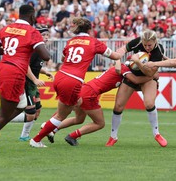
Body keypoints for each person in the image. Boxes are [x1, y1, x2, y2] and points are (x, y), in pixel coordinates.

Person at [0, 5, 50, 153]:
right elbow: (46, 56)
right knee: (3, 114)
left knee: (22, 105)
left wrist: (9, 51)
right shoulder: (32, 32)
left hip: (2, 68)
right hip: (15, 73)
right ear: (32, 16)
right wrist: (30, 48)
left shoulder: (8, 28)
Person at [30, 17, 123, 148]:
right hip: (72, 80)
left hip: (60, 76)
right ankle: (37, 138)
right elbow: (116, 57)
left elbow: (63, 58)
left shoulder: (71, 41)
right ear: (90, 29)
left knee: (78, 103)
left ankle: (51, 125)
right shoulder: (93, 42)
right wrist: (123, 49)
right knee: (61, 115)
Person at [52, 60, 154, 146]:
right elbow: (136, 80)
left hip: (83, 90)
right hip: (89, 94)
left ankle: (52, 129)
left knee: (79, 119)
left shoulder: (122, 68)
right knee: (100, 123)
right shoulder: (124, 70)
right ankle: (72, 136)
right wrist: (152, 77)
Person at [106, 30, 167, 147]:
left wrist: (138, 62)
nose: (147, 47)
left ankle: (156, 134)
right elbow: (121, 50)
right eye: (145, 45)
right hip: (132, 75)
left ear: (155, 42)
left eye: (149, 45)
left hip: (147, 78)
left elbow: (149, 73)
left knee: (149, 104)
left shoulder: (158, 50)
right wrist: (119, 59)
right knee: (118, 105)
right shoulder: (137, 42)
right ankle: (113, 136)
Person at [10, 25, 54, 142]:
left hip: (32, 84)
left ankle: (24, 135)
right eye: (43, 35)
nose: (46, 37)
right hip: (27, 83)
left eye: (47, 35)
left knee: (37, 110)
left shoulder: (40, 50)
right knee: (30, 114)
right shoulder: (34, 50)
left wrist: (45, 72)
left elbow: (35, 67)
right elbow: (25, 66)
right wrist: (35, 79)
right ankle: (3, 119)